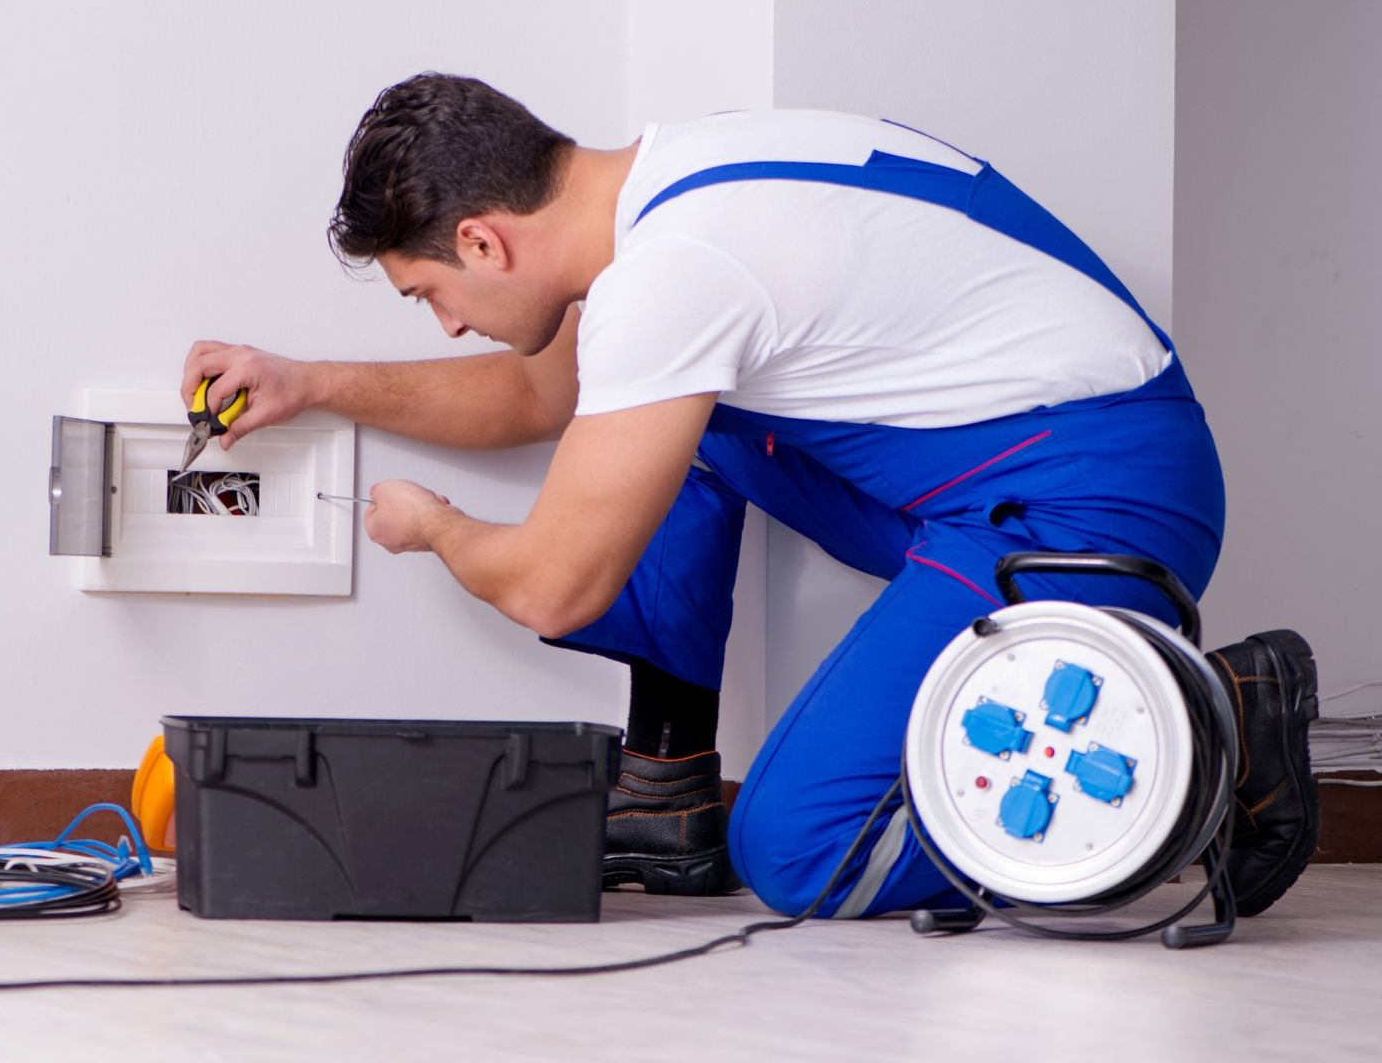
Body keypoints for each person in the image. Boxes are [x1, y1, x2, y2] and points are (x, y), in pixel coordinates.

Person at [179, 73, 1321, 920]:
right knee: (682, 422)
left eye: (433, 291)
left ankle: (1198, 734)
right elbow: (544, 398)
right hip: (1004, 462)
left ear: (483, 235)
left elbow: (554, 589)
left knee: (807, 852)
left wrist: (435, 529)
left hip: (1090, 499)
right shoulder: (677, 183)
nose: (448, 321)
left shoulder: (676, 276)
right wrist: (308, 384)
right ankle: (668, 789)